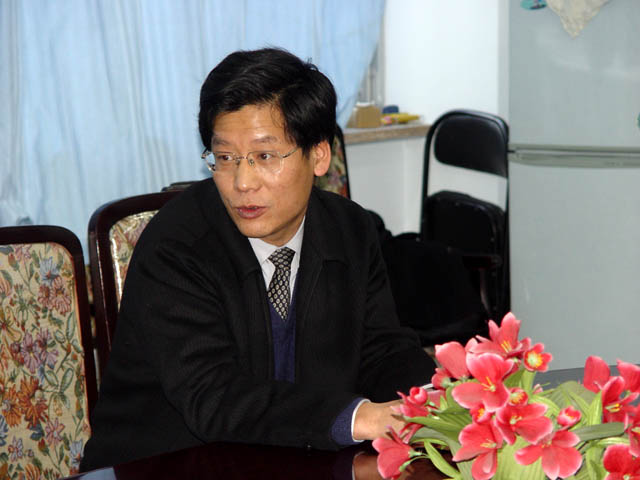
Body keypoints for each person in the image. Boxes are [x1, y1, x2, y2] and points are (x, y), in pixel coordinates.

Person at [81, 48, 435, 471]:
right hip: (165, 466)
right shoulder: (176, 246)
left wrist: (435, 401)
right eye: (225, 158)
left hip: (295, 461)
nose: (242, 182)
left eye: (265, 157)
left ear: (319, 155)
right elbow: (214, 397)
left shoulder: (351, 231)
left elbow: (382, 351)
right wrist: (360, 418)